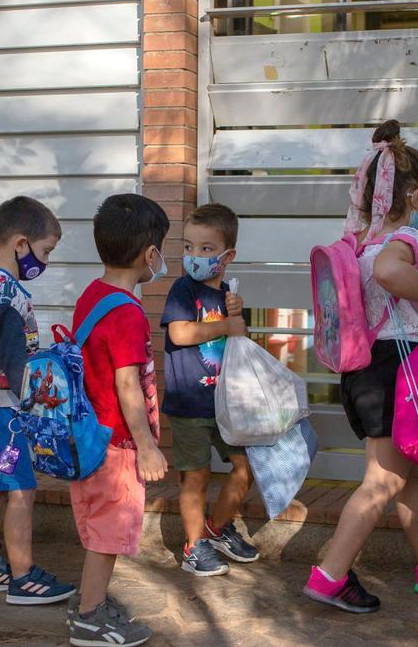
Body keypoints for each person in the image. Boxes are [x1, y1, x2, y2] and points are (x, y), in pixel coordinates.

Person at [304, 119, 418, 614]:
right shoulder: (402, 244)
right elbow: (390, 274)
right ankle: (331, 574)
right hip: (397, 369)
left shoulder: (358, 243)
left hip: (366, 371)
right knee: (381, 481)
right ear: (415, 193)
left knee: (411, 474)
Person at [65, 193, 171, 646]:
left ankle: (92, 600)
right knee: (109, 535)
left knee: (100, 528)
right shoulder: (128, 312)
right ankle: (90, 617)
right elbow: (128, 384)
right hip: (115, 444)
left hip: (90, 436)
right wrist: (147, 446)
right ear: (150, 255)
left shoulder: (93, 295)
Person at [0, 196, 75, 604]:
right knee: (20, 491)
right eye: (45, 251)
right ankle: (23, 576)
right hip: (6, 414)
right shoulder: (8, 295)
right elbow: (16, 368)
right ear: (20, 243)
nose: (44, 261)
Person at [160, 203, 259, 576]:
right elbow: (179, 333)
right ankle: (193, 547)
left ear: (227, 255)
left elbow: (240, 345)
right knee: (195, 476)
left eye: (205, 249)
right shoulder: (182, 290)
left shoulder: (229, 295)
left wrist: (237, 317)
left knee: (244, 469)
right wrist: (225, 327)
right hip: (189, 405)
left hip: (225, 404)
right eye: (188, 247)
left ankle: (216, 529)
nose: (194, 256)